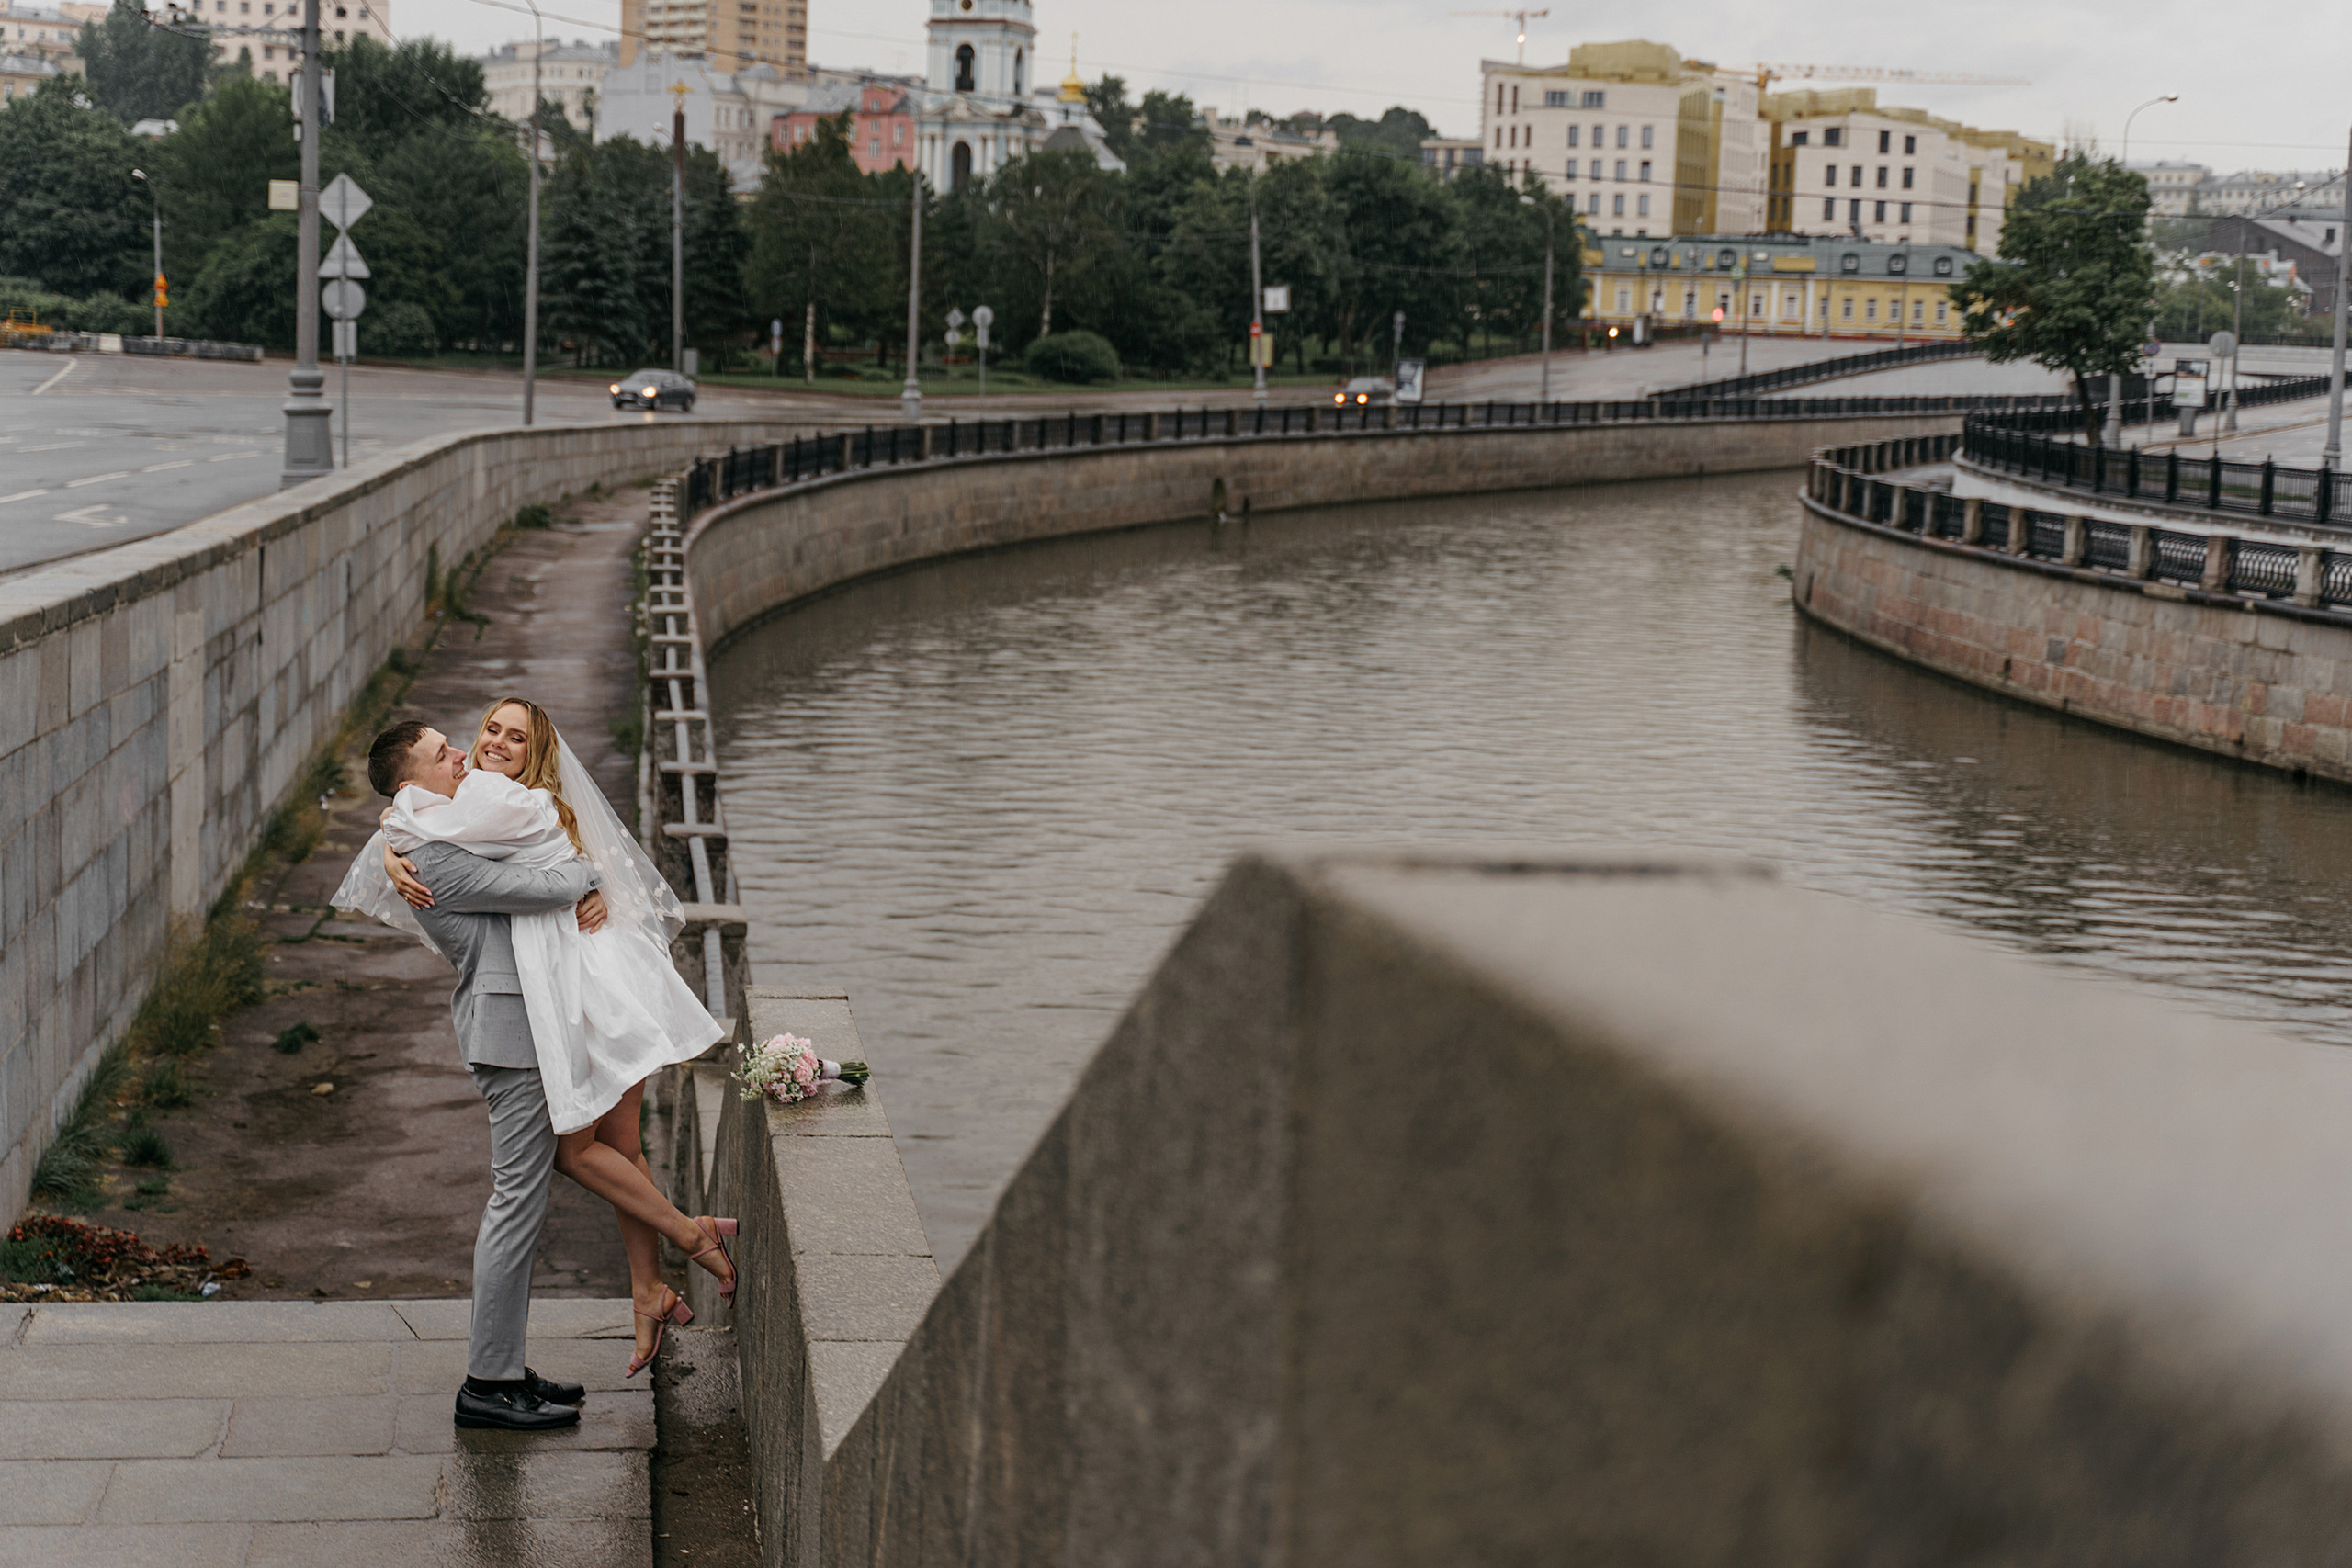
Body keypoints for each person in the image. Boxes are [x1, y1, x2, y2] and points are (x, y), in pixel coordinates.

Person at [341, 705, 740, 1400]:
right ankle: (492, 1382)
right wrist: (583, 876)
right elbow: (543, 885)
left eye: (504, 736)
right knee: (521, 1197)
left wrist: (387, 837)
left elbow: (432, 823)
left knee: (559, 1175)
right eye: (447, 750)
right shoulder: (431, 846)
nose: (466, 752)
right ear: (417, 777)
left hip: (550, 1016)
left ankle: (511, 1365)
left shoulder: (455, 824)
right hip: (514, 1032)